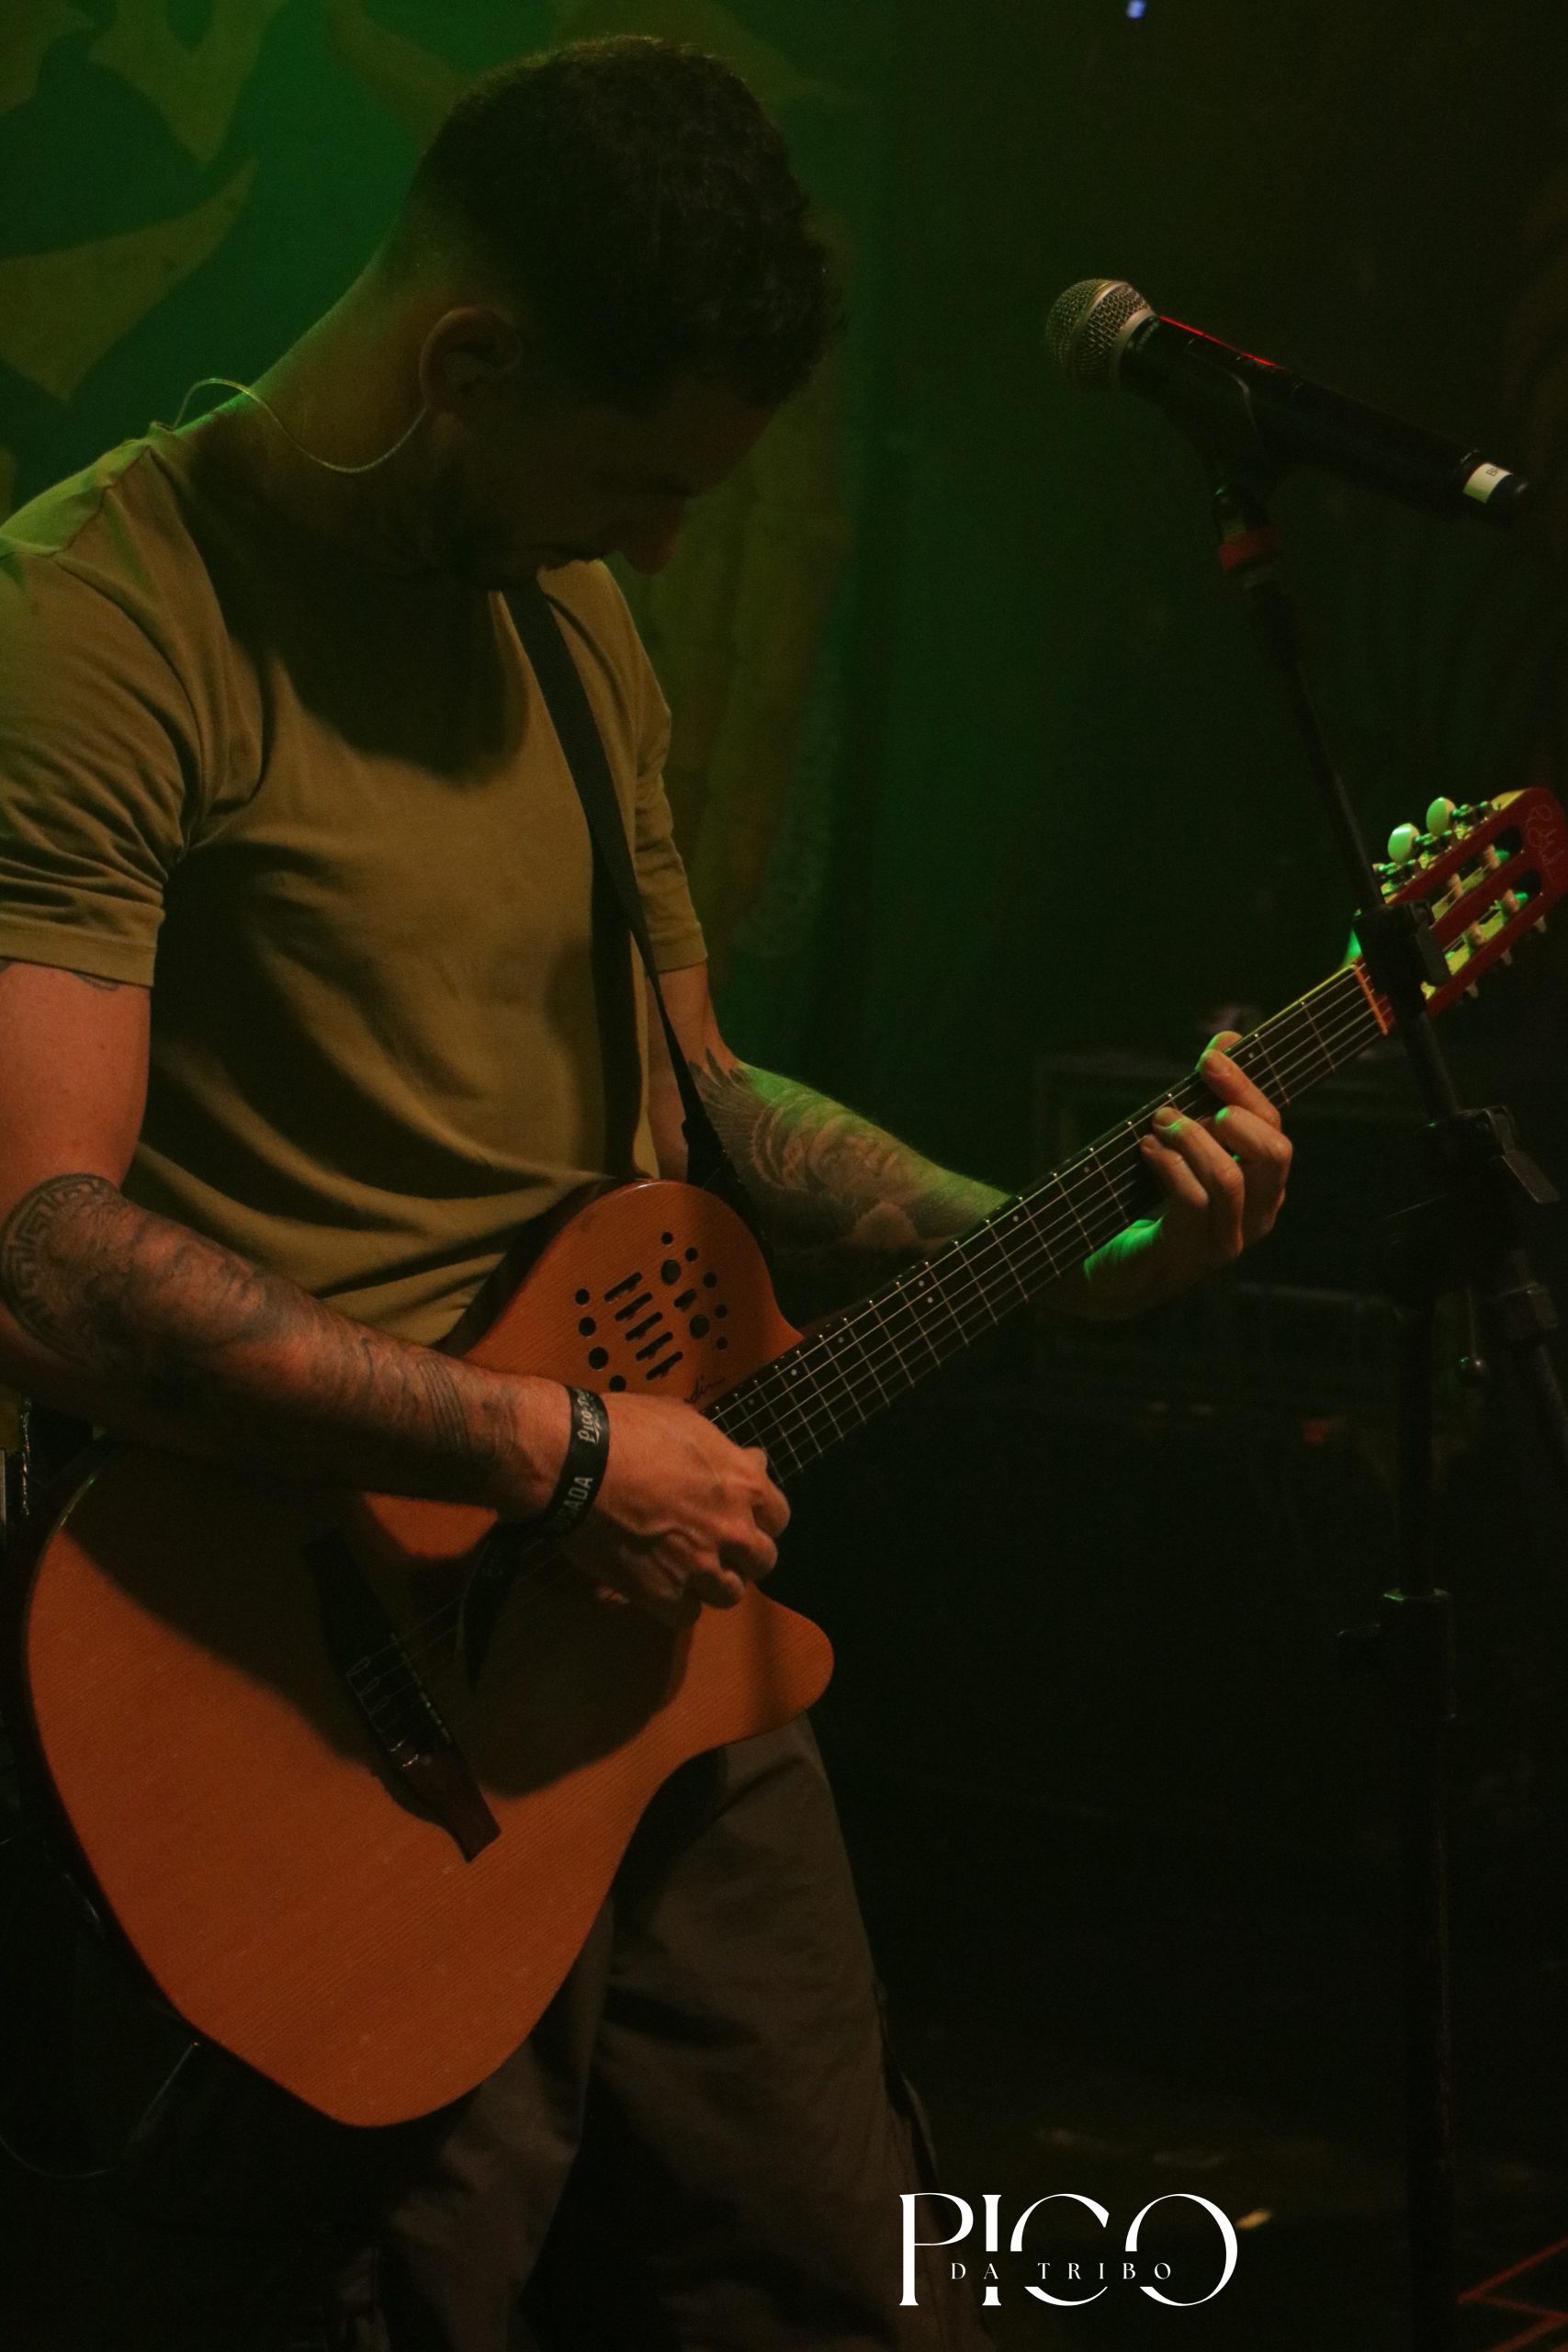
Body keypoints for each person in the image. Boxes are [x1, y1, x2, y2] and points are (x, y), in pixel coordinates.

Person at [0, 35, 1292, 2352]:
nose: (667, 547)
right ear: (463, 364)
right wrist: (560, 1448)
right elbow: (42, 1259)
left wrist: (1046, 1236)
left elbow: (704, 1103)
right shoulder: (96, 620)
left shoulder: (564, 612)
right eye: (632, 479)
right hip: (325, 1686)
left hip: (667, 1618)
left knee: (839, 2279)